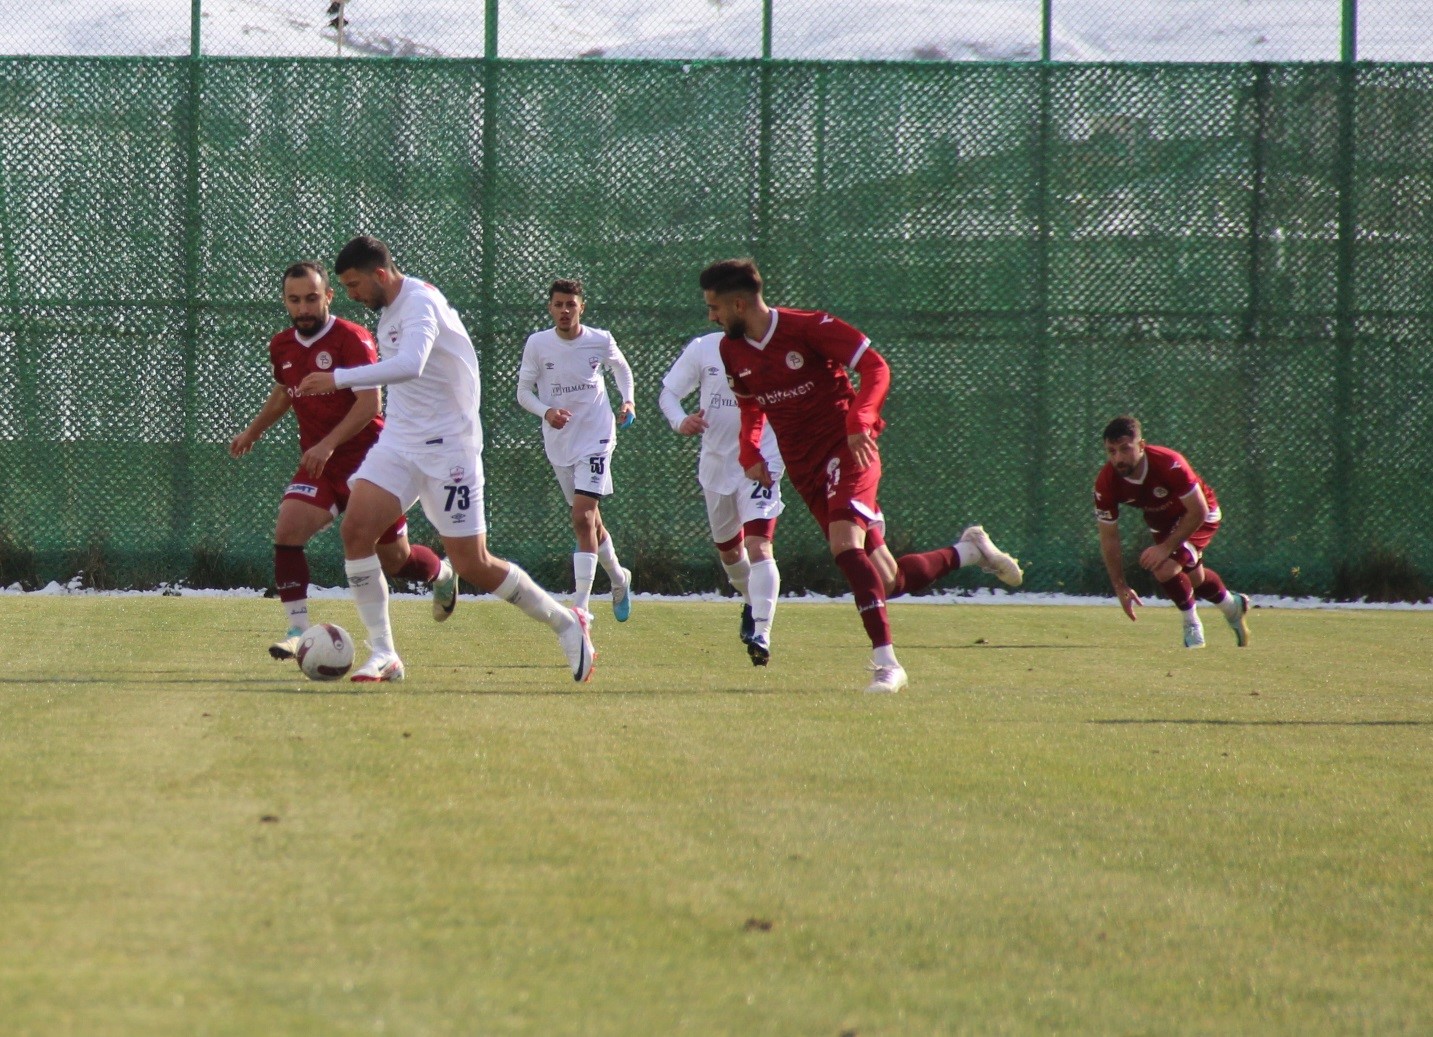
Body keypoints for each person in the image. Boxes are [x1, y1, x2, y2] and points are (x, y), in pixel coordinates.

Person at [699, 258, 1024, 694]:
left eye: (714, 307)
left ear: (738, 304)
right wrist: (749, 448)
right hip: (805, 469)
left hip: (849, 450)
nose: (711, 317)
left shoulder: (807, 326)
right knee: (887, 579)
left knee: (844, 544)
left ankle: (886, 664)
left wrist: (861, 420)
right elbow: (751, 405)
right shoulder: (731, 349)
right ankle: (969, 551)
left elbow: (875, 366)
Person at [296, 236, 595, 683]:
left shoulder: (419, 304)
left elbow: (412, 365)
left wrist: (338, 378)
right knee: (356, 531)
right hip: (400, 443)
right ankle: (385, 654)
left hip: (450, 447)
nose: (352, 295)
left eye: (354, 285)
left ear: (380, 275)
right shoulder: (390, 311)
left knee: (473, 563)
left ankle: (566, 622)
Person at [228, 260, 457, 661]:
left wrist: (329, 443)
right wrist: (253, 431)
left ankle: (442, 572)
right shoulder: (281, 345)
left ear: (328, 296)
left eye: (312, 299)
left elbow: (370, 404)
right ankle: (298, 630)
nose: (303, 308)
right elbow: (285, 391)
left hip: (370, 463)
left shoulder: (352, 338)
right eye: (294, 300)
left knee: (397, 560)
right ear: (284, 301)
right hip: (320, 465)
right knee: (288, 530)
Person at [659, 329, 785, 665]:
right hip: (716, 465)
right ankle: (750, 599)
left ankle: (762, 630)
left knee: (759, 545)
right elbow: (669, 393)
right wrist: (679, 420)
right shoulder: (703, 346)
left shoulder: (774, 346)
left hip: (762, 461)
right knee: (731, 553)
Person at [516, 279, 635, 621]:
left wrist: (628, 401)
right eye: (558, 304)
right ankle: (618, 577)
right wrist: (546, 412)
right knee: (591, 523)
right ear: (550, 308)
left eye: (571, 304)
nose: (565, 310)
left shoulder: (600, 339)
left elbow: (621, 368)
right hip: (560, 442)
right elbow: (524, 393)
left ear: (582, 306)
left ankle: (581, 607)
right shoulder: (537, 344)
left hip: (596, 437)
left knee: (581, 517)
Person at [1094, 415, 1250, 648]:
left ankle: (1192, 625)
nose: (1118, 458)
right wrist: (1120, 586)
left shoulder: (1169, 463)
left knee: (1164, 567)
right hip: (1162, 521)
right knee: (1194, 578)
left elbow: (1197, 510)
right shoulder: (1106, 482)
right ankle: (1232, 606)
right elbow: (1109, 537)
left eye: (1125, 449)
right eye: (1111, 451)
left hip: (1200, 514)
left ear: (1141, 446)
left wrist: (1165, 547)